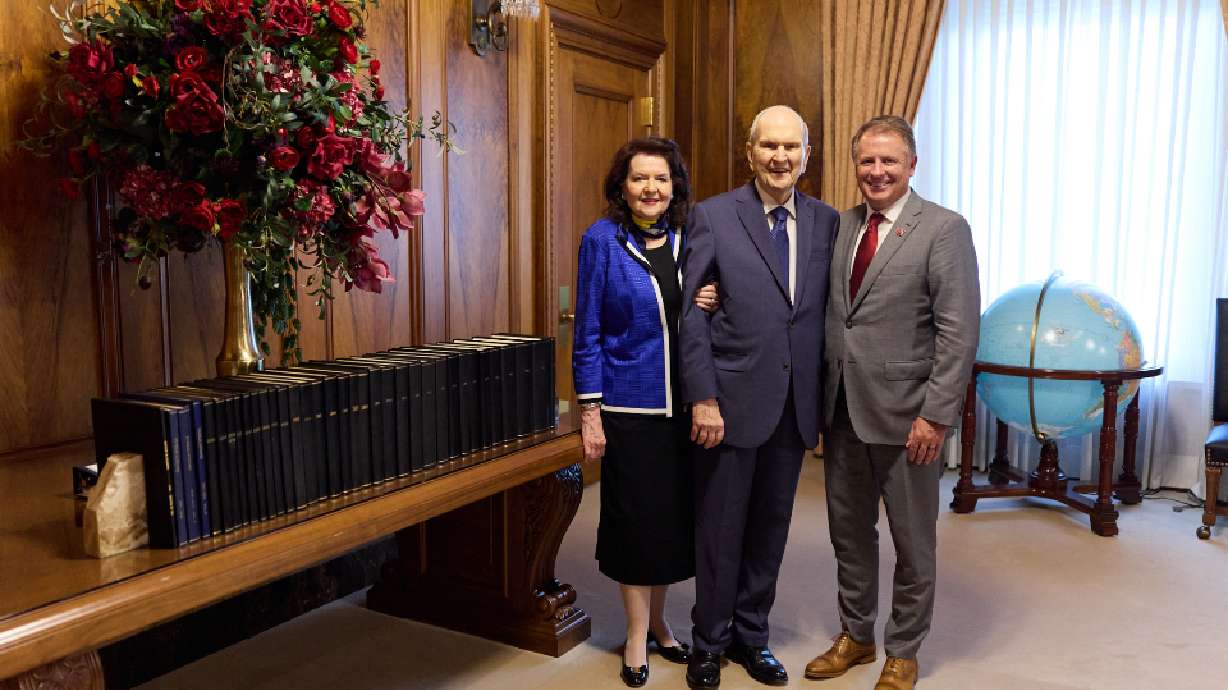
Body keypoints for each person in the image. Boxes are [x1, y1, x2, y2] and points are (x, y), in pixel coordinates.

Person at [805, 115, 980, 690]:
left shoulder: (944, 230)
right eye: (866, 161)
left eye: (888, 161)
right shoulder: (841, 225)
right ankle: (856, 636)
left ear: (912, 164)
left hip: (910, 418)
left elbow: (958, 333)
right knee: (848, 533)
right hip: (843, 409)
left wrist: (935, 415)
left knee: (912, 540)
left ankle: (903, 649)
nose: (876, 171)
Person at [679, 105, 839, 689]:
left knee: (771, 529)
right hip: (728, 402)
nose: (780, 158)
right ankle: (708, 643)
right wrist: (703, 397)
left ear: (806, 155)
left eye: (791, 148)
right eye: (769, 147)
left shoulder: (827, 222)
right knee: (720, 530)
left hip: (793, 408)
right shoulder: (714, 217)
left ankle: (753, 637)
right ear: (750, 153)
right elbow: (690, 317)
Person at [572, 137, 718, 688]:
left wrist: (714, 297)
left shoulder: (689, 238)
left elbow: (702, 308)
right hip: (628, 407)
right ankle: (635, 634)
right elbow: (586, 330)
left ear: (675, 185)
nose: (651, 189)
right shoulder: (601, 240)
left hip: (684, 407)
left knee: (670, 524)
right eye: (639, 179)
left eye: (661, 179)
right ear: (622, 186)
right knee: (635, 526)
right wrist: (590, 411)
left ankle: (660, 623)